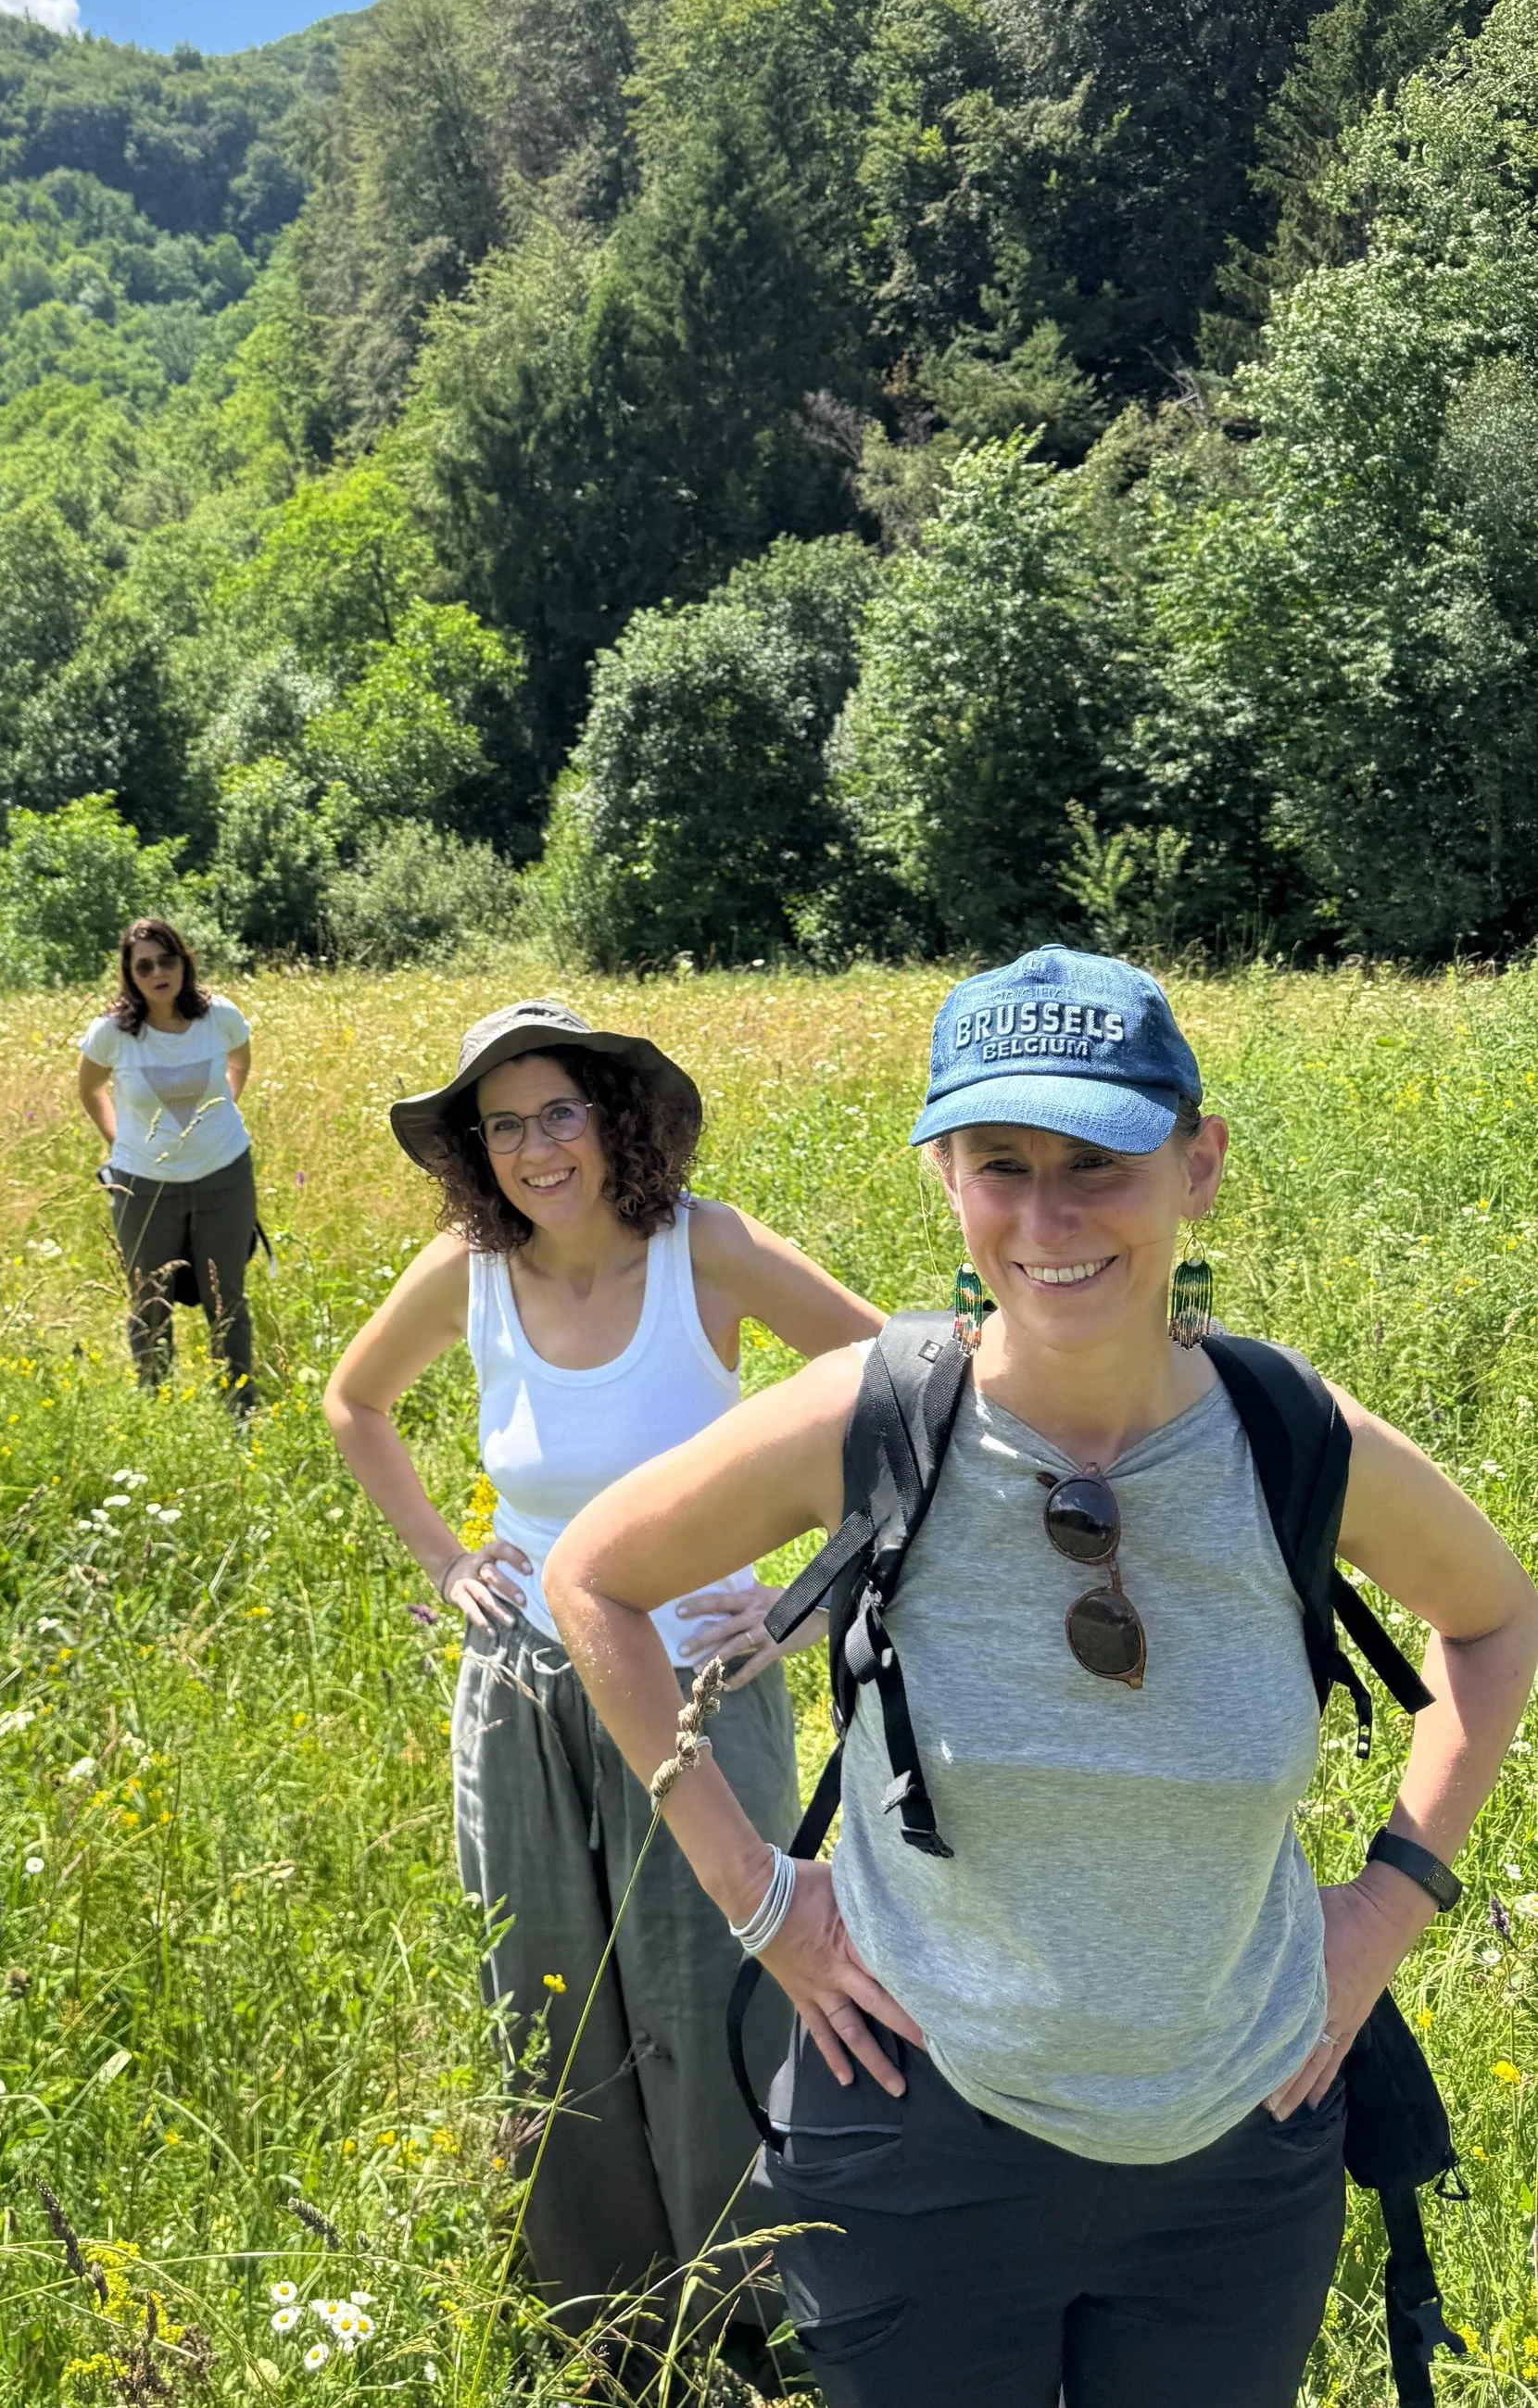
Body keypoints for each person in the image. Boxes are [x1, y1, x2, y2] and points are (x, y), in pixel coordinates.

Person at [545, 945, 1538, 2408]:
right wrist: (760, 1902)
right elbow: (593, 1581)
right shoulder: (873, 1416)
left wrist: (1390, 1903)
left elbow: (1496, 1621)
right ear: (946, 1174)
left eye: (1102, 1158)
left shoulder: (1288, 1438)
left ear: (1197, 1166)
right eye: (1001, 1161)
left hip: (1238, 2153)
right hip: (913, 2138)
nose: (1049, 1214)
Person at [323, 997, 882, 2385]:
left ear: (614, 1116)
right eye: (501, 1125)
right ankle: (599, 2325)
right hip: (522, 1684)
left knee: (721, 1990)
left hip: (695, 1680)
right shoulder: (468, 1266)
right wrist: (450, 1560)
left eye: (557, 1111)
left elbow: (898, 1386)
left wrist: (810, 1596)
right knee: (549, 1993)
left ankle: (752, 2320)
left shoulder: (713, 1250)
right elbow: (353, 1402)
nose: (533, 1149)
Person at [76, 919, 260, 1413]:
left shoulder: (220, 1017)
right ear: (130, 976)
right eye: (145, 966)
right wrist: (123, 1148)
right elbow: (90, 1092)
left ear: (184, 961)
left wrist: (220, 1115)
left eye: (167, 959)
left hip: (225, 1177)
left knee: (228, 1301)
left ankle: (241, 1407)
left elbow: (239, 1064)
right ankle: (155, 1409)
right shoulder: (112, 1034)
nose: (159, 972)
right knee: (150, 1302)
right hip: (143, 1187)